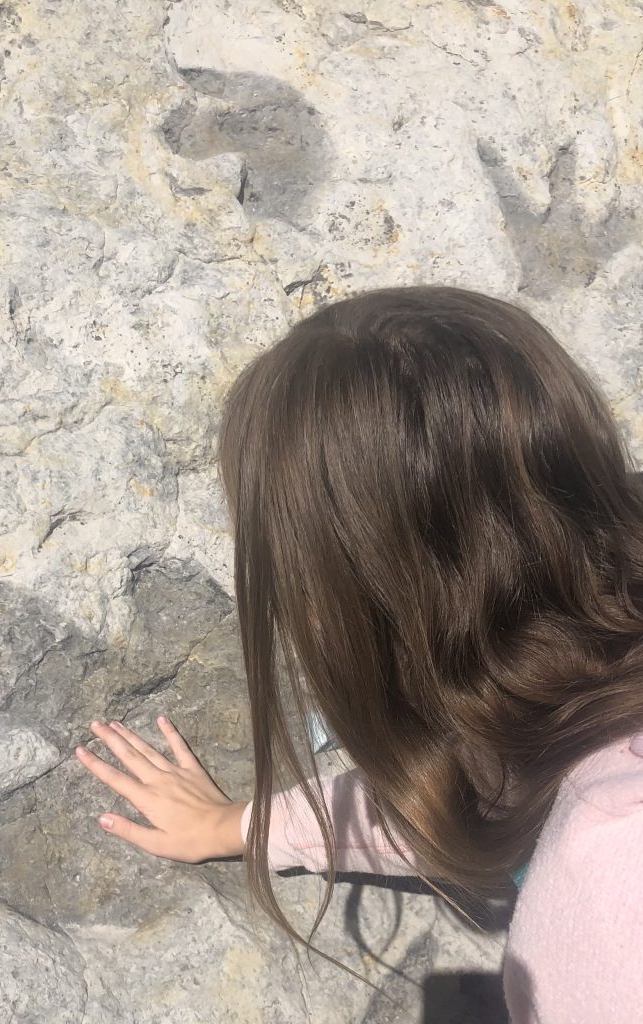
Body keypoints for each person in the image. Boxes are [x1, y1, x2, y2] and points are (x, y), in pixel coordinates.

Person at [74, 285, 643, 1023]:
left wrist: (236, 827)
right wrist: (242, 827)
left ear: (369, 613)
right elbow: (471, 783)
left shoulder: (601, 911)